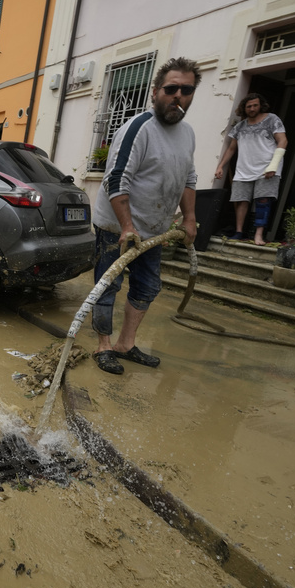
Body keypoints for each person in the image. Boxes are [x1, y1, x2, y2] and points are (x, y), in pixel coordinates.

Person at [90, 57, 200, 375]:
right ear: (155, 93)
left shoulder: (188, 134)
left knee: (148, 287)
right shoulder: (138, 128)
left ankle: (125, 344)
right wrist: (126, 226)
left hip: (155, 230)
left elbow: (188, 179)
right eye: (171, 88)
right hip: (118, 226)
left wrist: (189, 218)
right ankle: (104, 345)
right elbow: (116, 179)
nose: (178, 95)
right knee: (107, 285)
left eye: (186, 90)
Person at [213, 93, 288, 245]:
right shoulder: (240, 126)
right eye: (249, 106)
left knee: (263, 201)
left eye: (255, 105)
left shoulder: (272, 119)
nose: (252, 108)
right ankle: (239, 232)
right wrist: (221, 166)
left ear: (260, 105)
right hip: (244, 169)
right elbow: (232, 148)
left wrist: (273, 165)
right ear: (244, 108)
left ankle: (258, 235)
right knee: (241, 200)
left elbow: (283, 141)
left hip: (268, 167)